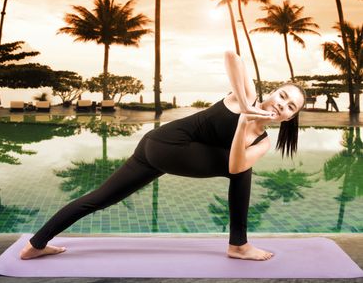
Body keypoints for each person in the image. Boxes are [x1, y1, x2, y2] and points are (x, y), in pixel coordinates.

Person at [20, 50, 306, 261]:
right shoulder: (248, 95)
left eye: (291, 106)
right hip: (167, 145)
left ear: (289, 118)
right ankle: (239, 244)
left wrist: (244, 122)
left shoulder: (263, 142)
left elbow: (234, 164)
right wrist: (245, 106)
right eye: (282, 95)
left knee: (101, 198)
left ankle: (36, 244)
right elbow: (232, 56)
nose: (283, 104)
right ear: (273, 92)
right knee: (243, 170)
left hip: (155, 149)